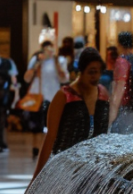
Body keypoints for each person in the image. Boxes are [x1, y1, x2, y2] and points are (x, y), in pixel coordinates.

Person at [34, 48, 110, 178]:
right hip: (63, 166)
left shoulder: (103, 94)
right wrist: (36, 178)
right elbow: (50, 137)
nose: (95, 77)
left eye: (98, 72)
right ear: (81, 71)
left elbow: (104, 134)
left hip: (91, 167)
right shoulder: (64, 96)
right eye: (91, 72)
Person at [24, 40, 69, 157]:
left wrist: (57, 64)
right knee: (36, 125)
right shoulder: (36, 60)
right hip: (38, 95)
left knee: (52, 125)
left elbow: (64, 79)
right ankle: (35, 148)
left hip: (53, 96)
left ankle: (50, 149)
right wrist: (37, 63)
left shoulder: (60, 60)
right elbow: (27, 78)